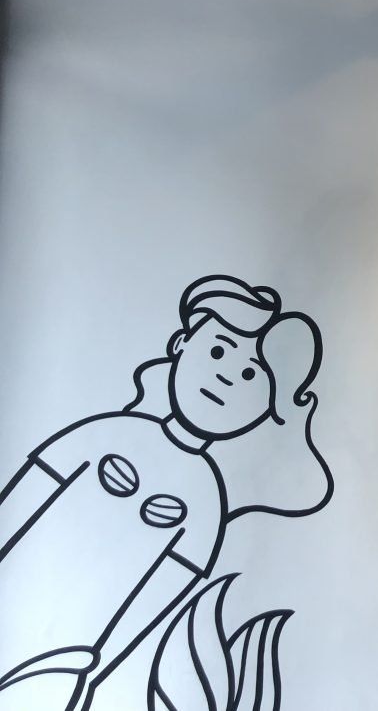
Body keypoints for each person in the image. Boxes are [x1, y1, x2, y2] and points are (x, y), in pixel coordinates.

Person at [0, 275, 333, 711]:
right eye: (217, 351)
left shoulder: (206, 504)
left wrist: (91, 670)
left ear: (269, 407)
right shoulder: (106, 433)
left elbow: (155, 602)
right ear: (181, 344)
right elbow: (22, 499)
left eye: (252, 373)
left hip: (66, 661)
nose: (226, 377)